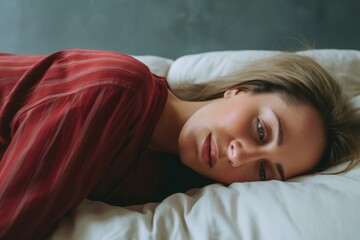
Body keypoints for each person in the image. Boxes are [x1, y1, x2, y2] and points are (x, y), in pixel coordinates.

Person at [0, 49, 359, 239]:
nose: (240, 156)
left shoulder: (172, 180)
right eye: (261, 131)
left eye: (264, 172)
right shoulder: (118, 89)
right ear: (240, 90)